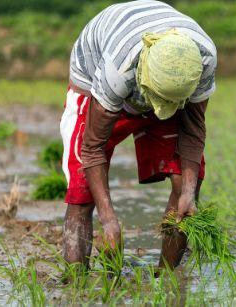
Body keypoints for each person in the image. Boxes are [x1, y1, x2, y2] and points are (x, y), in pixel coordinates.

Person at [60, 0, 217, 271]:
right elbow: (92, 148)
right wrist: (109, 219)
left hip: (166, 79)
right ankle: (77, 287)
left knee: (188, 183)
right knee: (82, 190)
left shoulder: (203, 60)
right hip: (94, 80)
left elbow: (192, 133)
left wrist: (189, 194)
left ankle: (167, 279)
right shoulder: (117, 69)